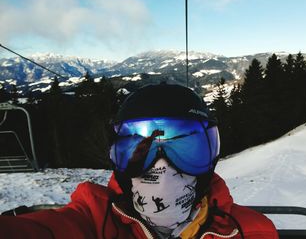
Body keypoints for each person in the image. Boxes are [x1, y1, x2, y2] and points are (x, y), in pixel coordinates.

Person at [0, 83, 279, 239]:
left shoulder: (253, 231)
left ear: (212, 156)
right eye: (142, 154)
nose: (164, 168)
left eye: (189, 149)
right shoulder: (94, 222)